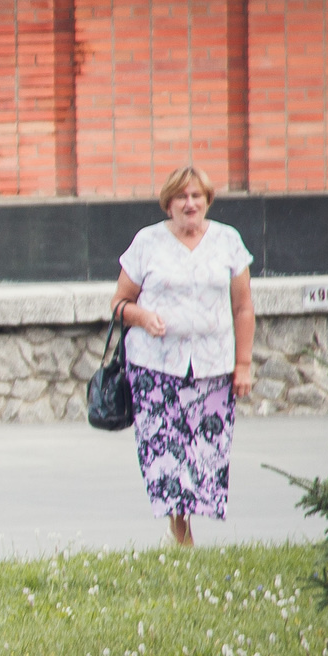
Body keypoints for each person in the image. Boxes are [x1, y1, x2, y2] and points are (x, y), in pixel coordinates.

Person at [111, 164, 255, 547]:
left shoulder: (228, 241)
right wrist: (142, 316)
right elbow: (119, 304)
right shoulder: (147, 242)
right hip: (154, 365)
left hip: (213, 364)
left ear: (207, 201)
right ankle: (181, 529)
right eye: (182, 197)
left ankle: (189, 518)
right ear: (168, 204)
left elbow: (243, 308)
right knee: (166, 450)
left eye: (196, 196)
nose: (190, 204)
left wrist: (243, 364)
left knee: (207, 449)